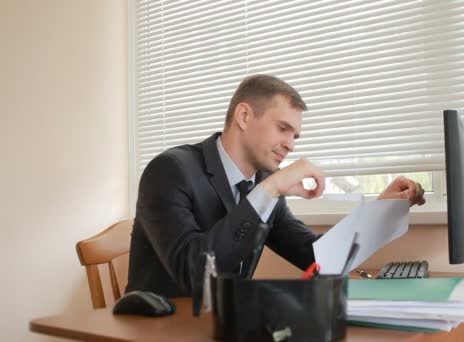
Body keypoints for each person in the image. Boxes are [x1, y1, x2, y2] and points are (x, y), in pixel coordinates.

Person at [126, 75, 426, 297]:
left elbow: (316, 257)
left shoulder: (261, 184)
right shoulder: (170, 170)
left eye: (296, 136)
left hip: (222, 325)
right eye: (283, 129)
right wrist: (269, 189)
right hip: (162, 329)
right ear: (244, 116)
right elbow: (193, 274)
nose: (290, 145)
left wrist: (380, 210)